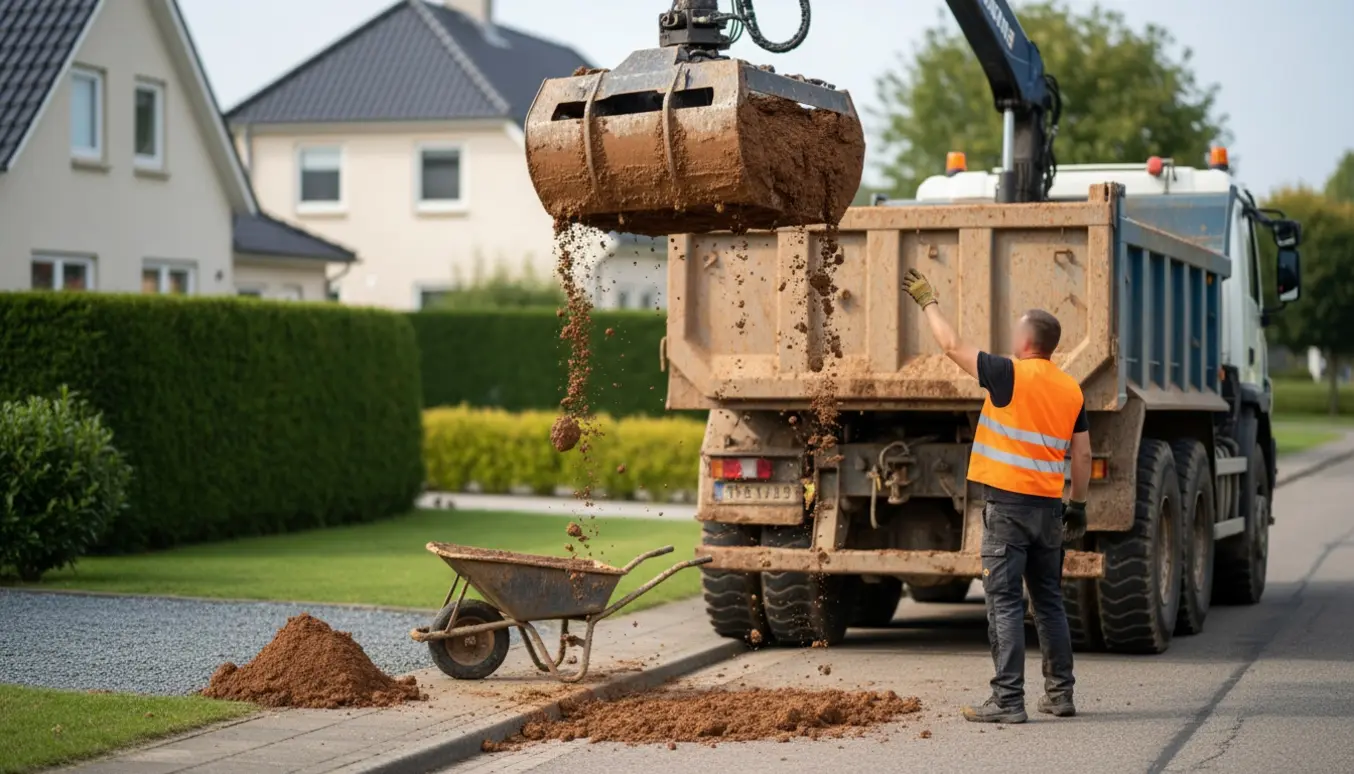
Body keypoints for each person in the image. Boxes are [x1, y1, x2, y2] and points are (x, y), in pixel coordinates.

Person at [903, 268, 1091, 725]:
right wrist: (1078, 506)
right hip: (1049, 510)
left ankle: (1008, 700)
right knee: (1049, 601)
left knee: (1004, 602)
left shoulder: (1008, 375)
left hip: (1007, 510)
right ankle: (1060, 694)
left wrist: (928, 302)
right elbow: (1083, 454)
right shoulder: (1071, 388)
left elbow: (951, 346)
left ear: (1025, 341)